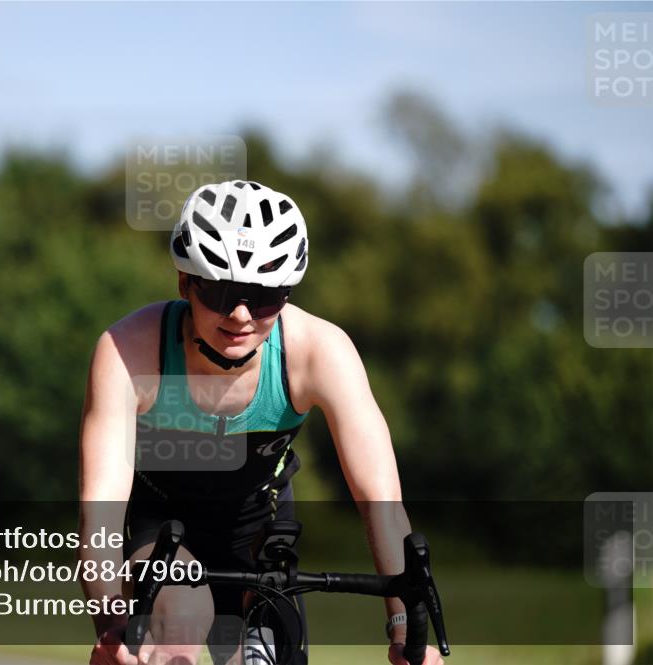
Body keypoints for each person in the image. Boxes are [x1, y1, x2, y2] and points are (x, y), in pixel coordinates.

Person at [79, 180, 444, 665]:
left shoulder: (318, 351)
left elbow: (381, 503)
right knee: (178, 626)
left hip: (259, 534)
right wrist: (112, 627)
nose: (242, 315)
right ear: (185, 283)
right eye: (222, 292)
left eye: (265, 296)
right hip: (160, 534)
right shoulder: (129, 349)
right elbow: (99, 514)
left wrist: (405, 628)